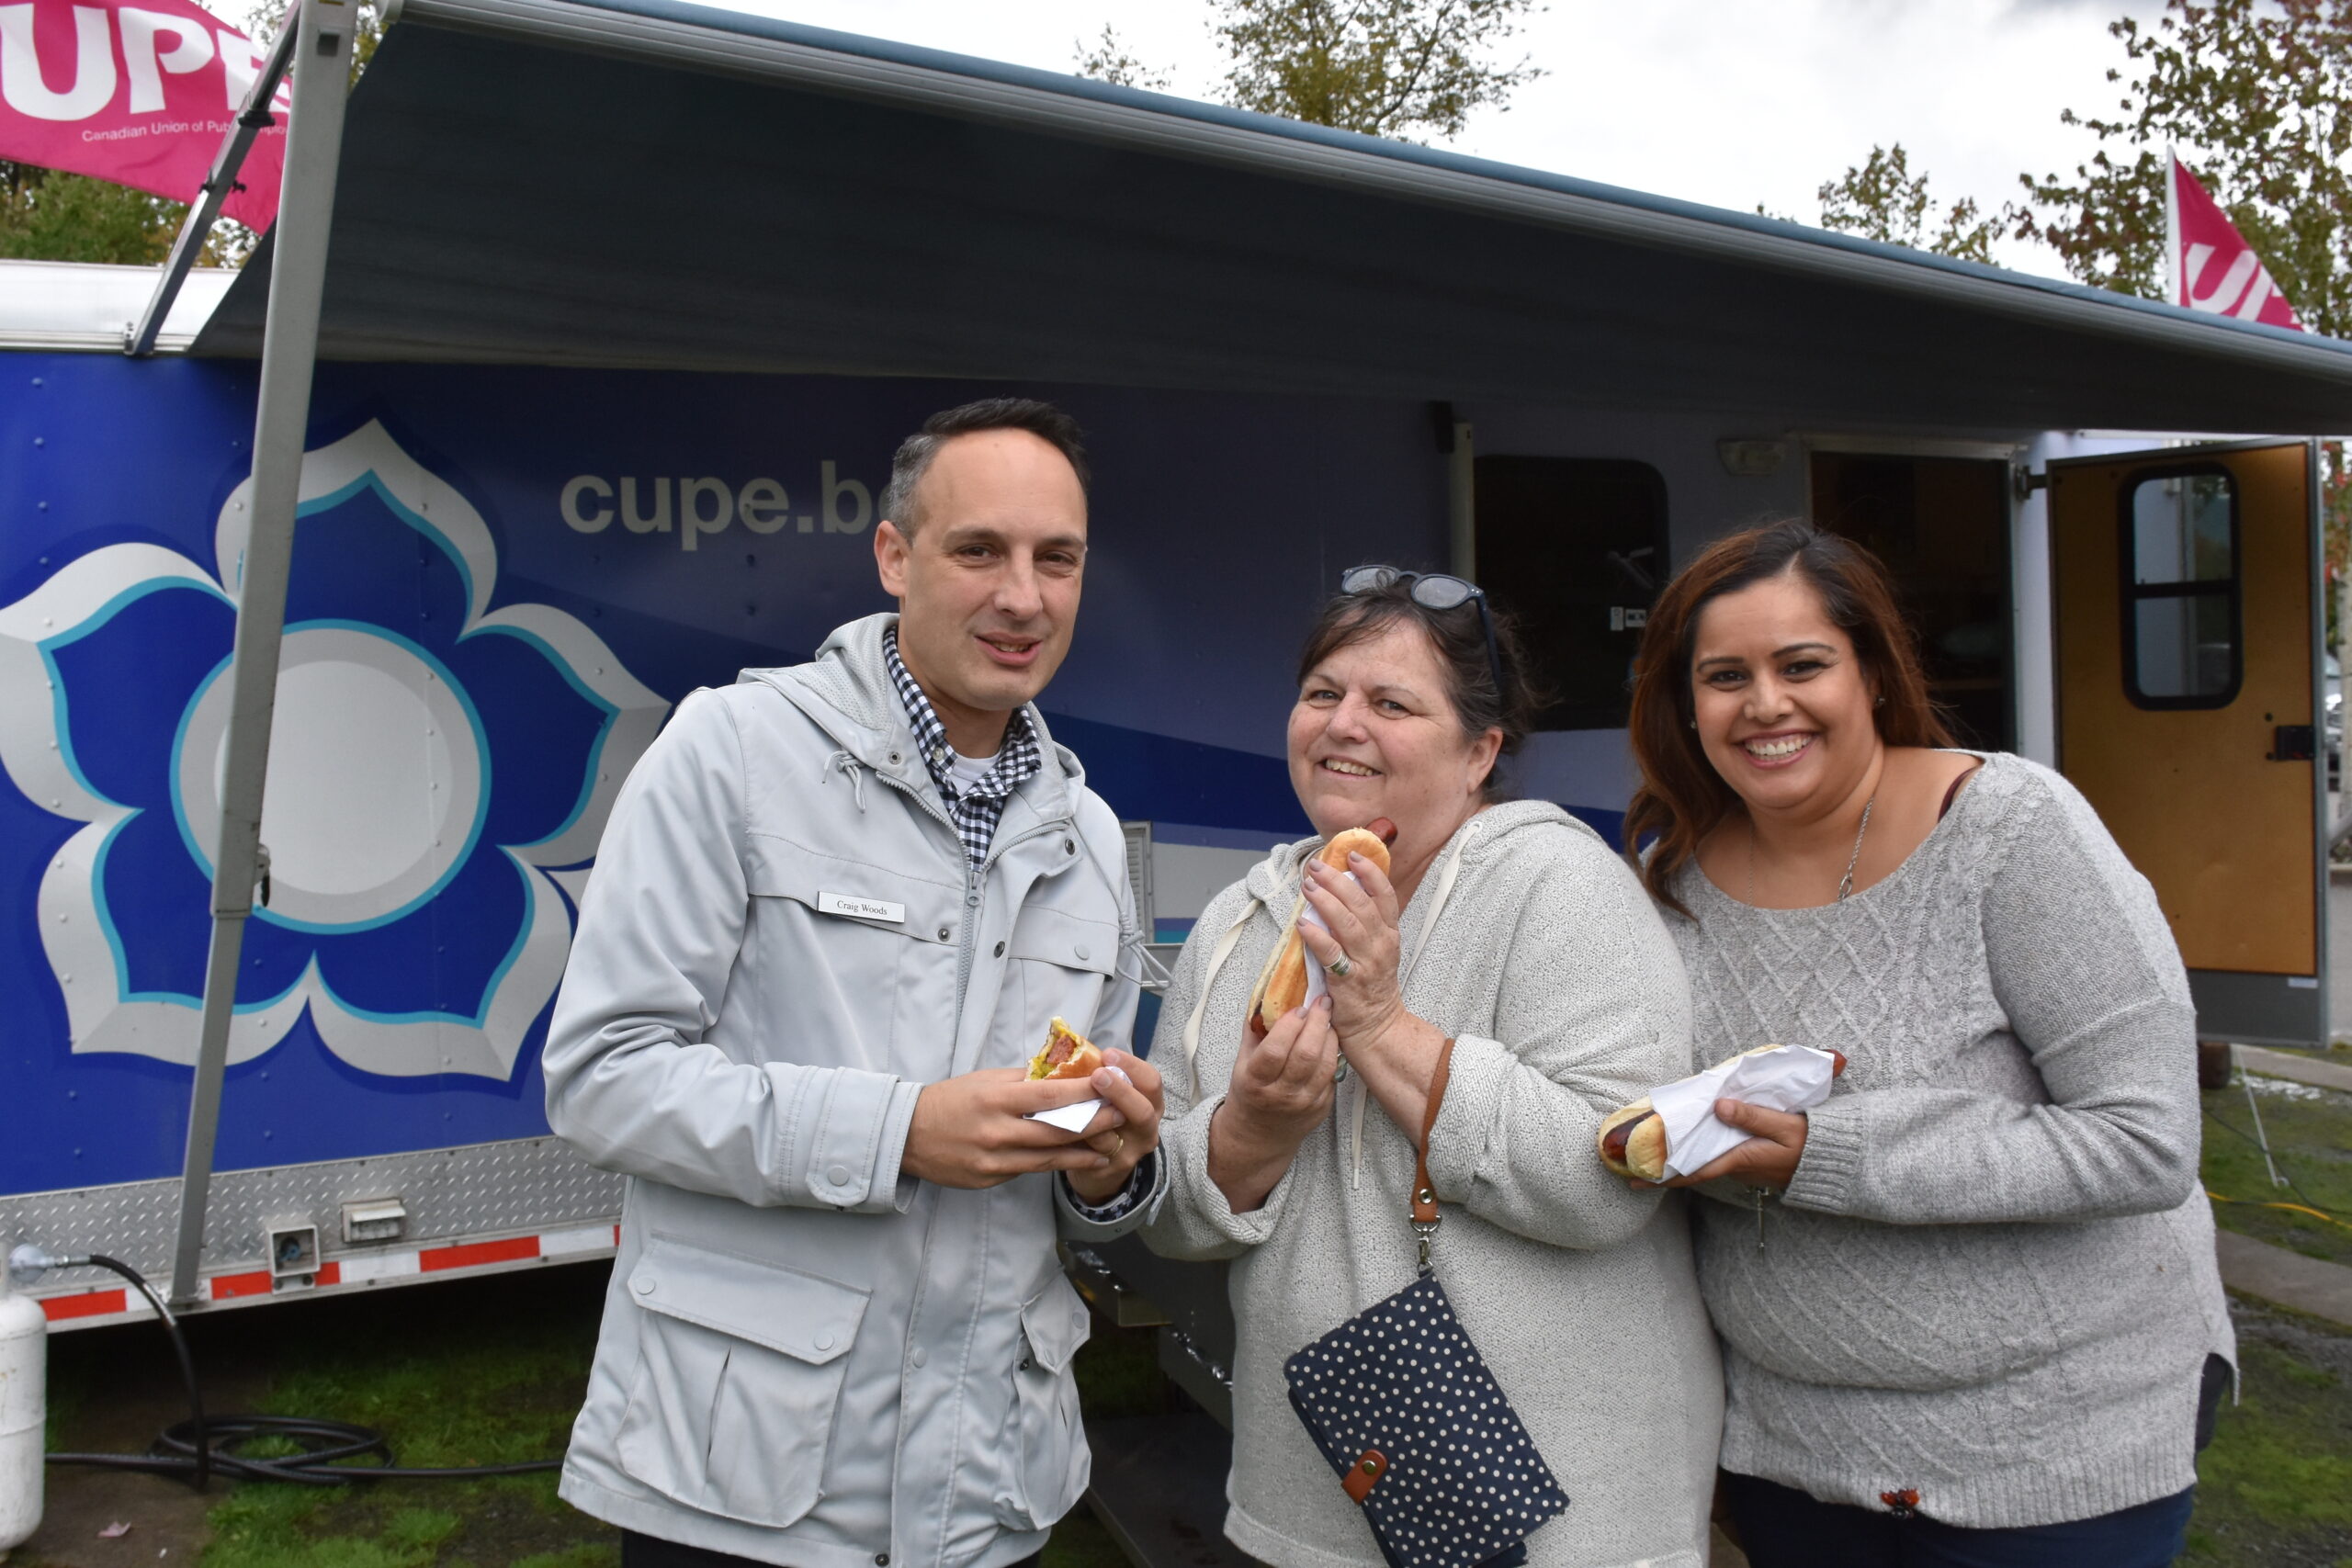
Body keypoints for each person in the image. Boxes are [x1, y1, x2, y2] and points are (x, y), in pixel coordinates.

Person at [542, 398, 1168, 1568]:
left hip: (987, 1491)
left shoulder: (1084, 835)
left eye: (1057, 559)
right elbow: (601, 1081)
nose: (1022, 597)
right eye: (978, 549)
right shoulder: (730, 752)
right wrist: (900, 1134)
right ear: (893, 556)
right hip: (742, 1488)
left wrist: (1106, 1167)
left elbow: (1072, 1168)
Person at [1621, 518, 2233, 1568]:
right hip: (1790, 1458)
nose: (1764, 704)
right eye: (1724, 676)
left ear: (1870, 672)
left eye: (1801, 664)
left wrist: (1831, 1156)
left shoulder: (2009, 831)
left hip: (2048, 1461)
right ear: (1686, 702)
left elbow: (2147, 1140)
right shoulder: (1670, 882)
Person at [1141, 568, 1724, 1568]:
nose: (1342, 723)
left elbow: (1607, 1186)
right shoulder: (1246, 918)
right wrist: (1253, 1132)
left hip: (1560, 1520)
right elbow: (1171, 1219)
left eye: (1391, 703)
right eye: (1322, 694)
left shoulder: (1564, 888)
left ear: (1480, 750)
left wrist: (1377, 1021)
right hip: (1312, 1497)